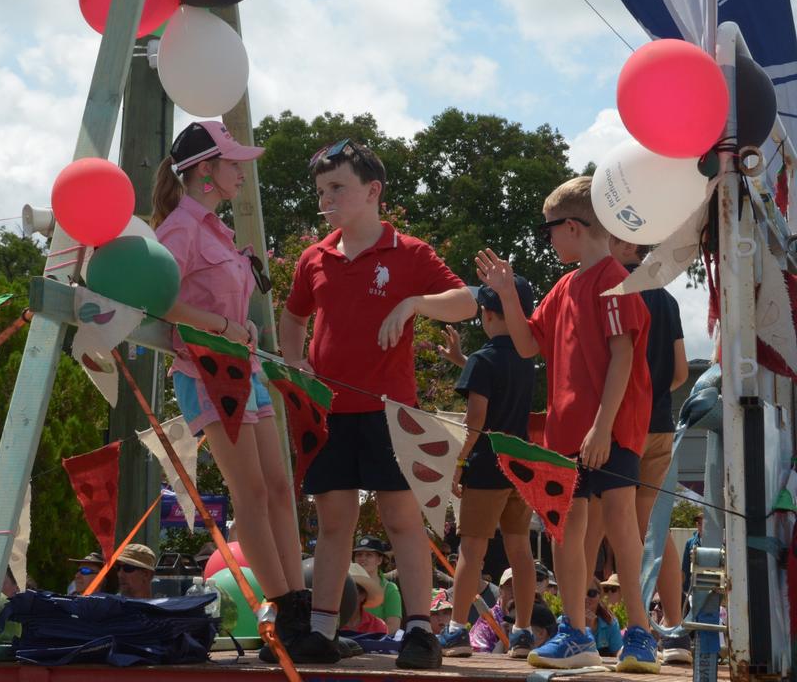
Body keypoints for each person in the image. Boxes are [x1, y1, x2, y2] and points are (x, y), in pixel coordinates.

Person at [280, 137, 476, 668]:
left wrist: (414, 301)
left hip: (391, 412)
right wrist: (295, 365)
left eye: (337, 187)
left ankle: (418, 632)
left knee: (401, 519)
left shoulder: (409, 253)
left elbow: (466, 302)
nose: (327, 198)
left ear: (372, 191)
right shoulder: (313, 258)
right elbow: (294, 317)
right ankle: (321, 630)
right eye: (321, 190)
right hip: (326, 413)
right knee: (334, 521)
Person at [476, 175, 659, 672]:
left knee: (620, 523)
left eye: (549, 229)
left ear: (574, 227)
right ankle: (575, 632)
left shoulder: (617, 281)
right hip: (564, 435)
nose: (548, 238)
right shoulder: (564, 285)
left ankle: (640, 632)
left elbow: (622, 356)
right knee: (564, 530)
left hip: (611, 429)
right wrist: (508, 294)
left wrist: (603, 427)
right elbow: (530, 343)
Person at [153, 121, 307, 655]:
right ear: (204, 171)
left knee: (280, 489)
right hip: (206, 373)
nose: (241, 171)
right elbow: (159, 300)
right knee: (253, 494)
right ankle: (286, 616)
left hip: (245, 370)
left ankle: (300, 612)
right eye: (232, 162)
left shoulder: (216, 229)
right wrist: (222, 327)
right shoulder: (180, 228)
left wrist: (242, 330)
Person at [584, 234, 690, 664]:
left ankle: (581, 624)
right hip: (660, 425)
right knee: (654, 530)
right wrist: (653, 396)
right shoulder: (667, 299)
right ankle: (677, 633)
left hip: (615, 427)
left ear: (618, 244)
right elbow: (682, 371)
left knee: (589, 524)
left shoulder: (608, 291)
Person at [436, 277, 539, 659]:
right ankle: (524, 632)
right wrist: (463, 362)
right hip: (520, 465)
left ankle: (456, 630)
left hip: (487, 465)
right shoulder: (527, 357)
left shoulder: (484, 360)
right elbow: (501, 386)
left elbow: (476, 417)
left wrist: (459, 463)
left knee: (472, 551)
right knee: (520, 551)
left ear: (487, 314)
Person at [352, 536, 402, 634]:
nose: (362, 558)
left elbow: (393, 627)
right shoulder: (345, 585)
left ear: (379, 560)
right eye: (359, 554)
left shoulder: (389, 589)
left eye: (369, 555)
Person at [341, 563, 387, 634]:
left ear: (363, 595)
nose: (343, 594)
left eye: (349, 590)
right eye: (340, 590)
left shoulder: (377, 626)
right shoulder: (328, 624)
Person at [586, 577, 623, 657]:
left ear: (600, 597)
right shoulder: (565, 622)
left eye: (591, 593)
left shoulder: (610, 622)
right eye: (581, 593)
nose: (586, 597)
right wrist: (587, 628)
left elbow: (617, 652)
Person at [681, 512, 703, 595]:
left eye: (704, 524)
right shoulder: (690, 543)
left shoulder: (717, 542)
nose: (701, 526)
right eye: (699, 523)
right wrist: (685, 589)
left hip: (712, 584)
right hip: (694, 586)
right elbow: (685, 566)